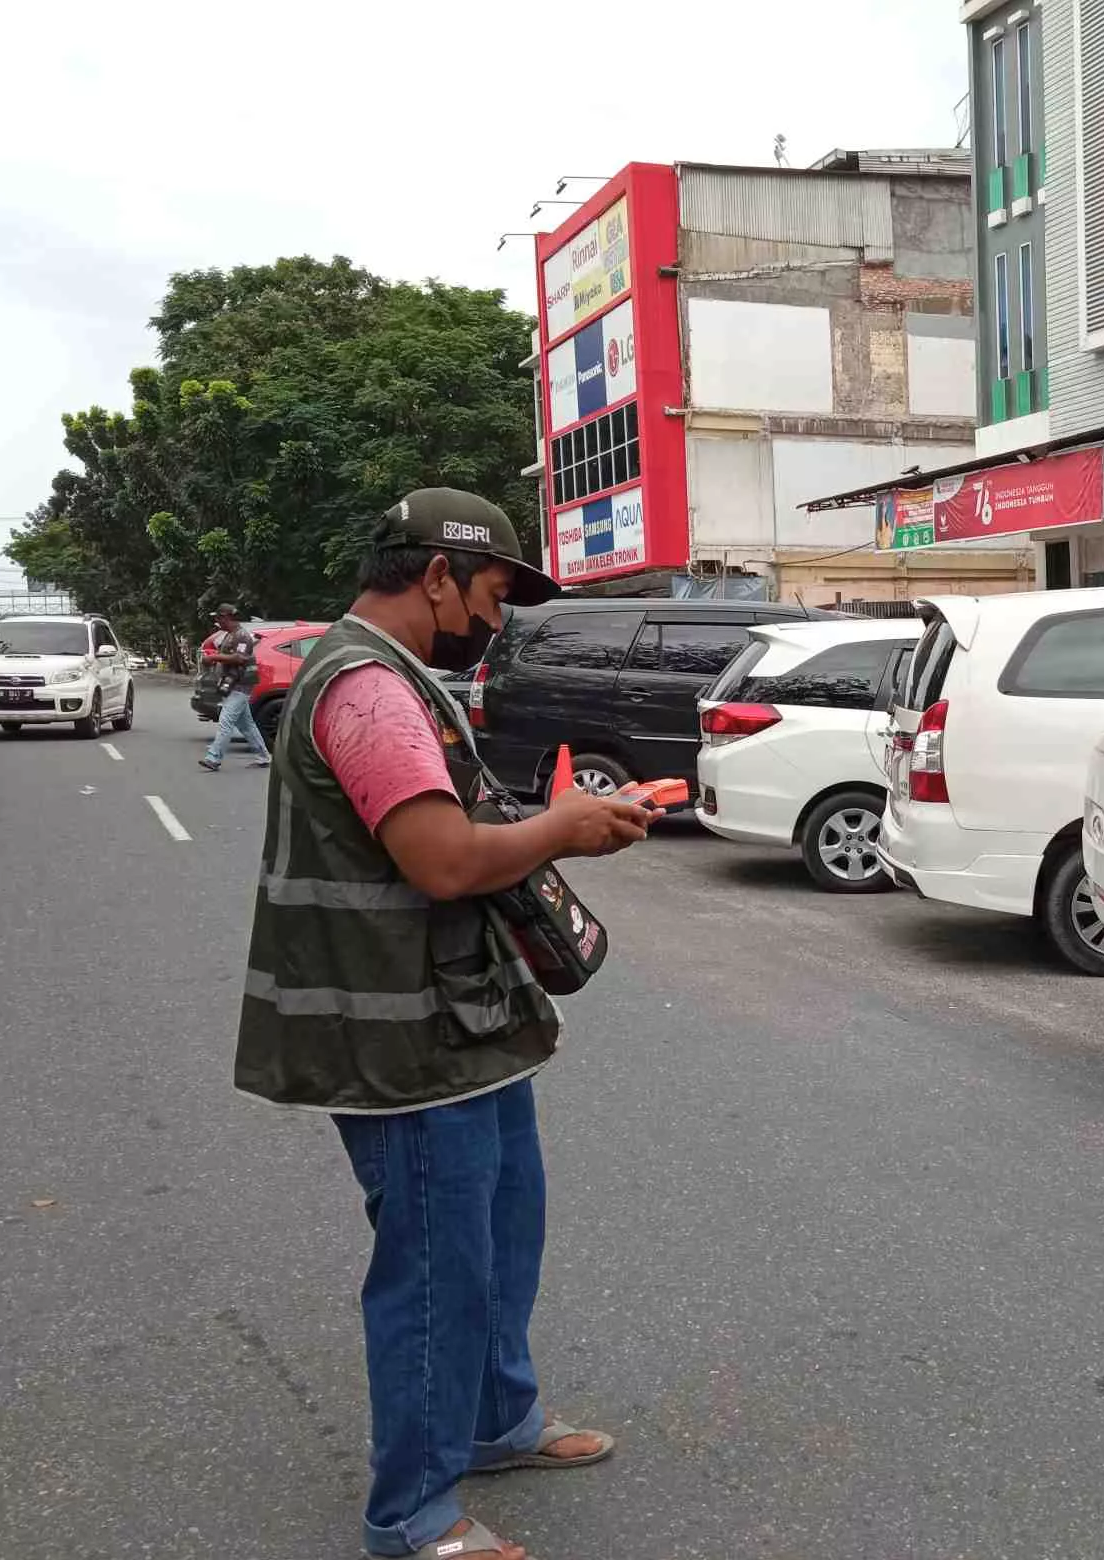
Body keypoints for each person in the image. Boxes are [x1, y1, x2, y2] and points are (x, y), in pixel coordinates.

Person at [233, 488, 657, 1560]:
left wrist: (562, 822)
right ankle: (414, 1515)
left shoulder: (395, 674)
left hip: (461, 1022)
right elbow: (442, 859)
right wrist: (562, 828)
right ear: (435, 577)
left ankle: (494, 1419)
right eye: (494, 594)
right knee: (435, 1272)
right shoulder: (367, 690)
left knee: (505, 1228)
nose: (498, 619)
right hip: (402, 1040)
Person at [199, 604, 269, 771]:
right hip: (233, 683)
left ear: (227, 617)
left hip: (241, 684)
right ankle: (263, 757)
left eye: (219, 618)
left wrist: (214, 658)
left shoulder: (242, 636)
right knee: (247, 725)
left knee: (226, 721)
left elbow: (240, 658)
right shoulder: (230, 635)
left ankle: (214, 758)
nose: (217, 621)